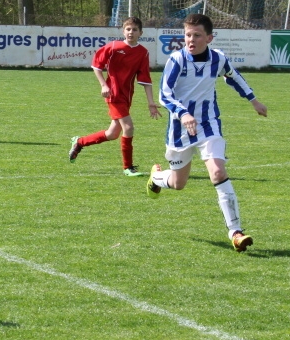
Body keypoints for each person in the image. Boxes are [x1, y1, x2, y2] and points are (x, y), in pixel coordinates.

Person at [146, 13, 268, 252]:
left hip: (209, 124)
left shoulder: (218, 58)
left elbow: (234, 77)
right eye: (188, 35)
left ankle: (236, 232)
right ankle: (157, 178)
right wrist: (183, 113)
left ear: (209, 38)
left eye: (197, 35)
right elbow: (164, 94)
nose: (191, 40)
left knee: (218, 171)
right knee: (178, 183)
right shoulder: (177, 60)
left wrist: (253, 100)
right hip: (180, 129)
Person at [68, 17, 160, 176]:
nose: (131, 32)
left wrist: (151, 102)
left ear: (141, 33)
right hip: (114, 94)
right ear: (123, 31)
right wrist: (104, 84)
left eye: (135, 29)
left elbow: (145, 79)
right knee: (129, 128)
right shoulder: (113, 47)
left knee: (112, 134)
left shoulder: (142, 52)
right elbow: (96, 65)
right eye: (128, 29)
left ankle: (79, 142)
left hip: (127, 96)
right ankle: (128, 167)